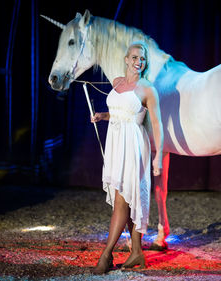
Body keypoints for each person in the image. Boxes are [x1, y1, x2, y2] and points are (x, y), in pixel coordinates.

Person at [91, 41, 164, 274]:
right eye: (134, 57)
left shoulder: (147, 89)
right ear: (126, 59)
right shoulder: (116, 83)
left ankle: (105, 255)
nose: (138, 62)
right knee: (128, 197)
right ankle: (136, 253)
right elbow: (119, 111)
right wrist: (103, 115)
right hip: (115, 144)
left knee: (123, 200)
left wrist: (158, 157)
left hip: (133, 146)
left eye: (142, 59)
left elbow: (156, 124)